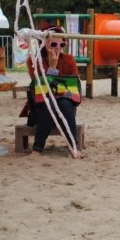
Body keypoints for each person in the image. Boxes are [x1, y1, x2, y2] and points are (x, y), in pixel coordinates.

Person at [26, 26, 84, 159]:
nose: (58, 47)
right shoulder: (33, 60)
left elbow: (74, 89)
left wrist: (60, 91)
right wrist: (52, 67)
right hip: (41, 105)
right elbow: (40, 89)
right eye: (53, 44)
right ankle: (37, 148)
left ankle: (73, 147)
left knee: (63, 103)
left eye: (62, 44)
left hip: (65, 103)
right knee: (49, 102)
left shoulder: (69, 60)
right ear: (44, 43)